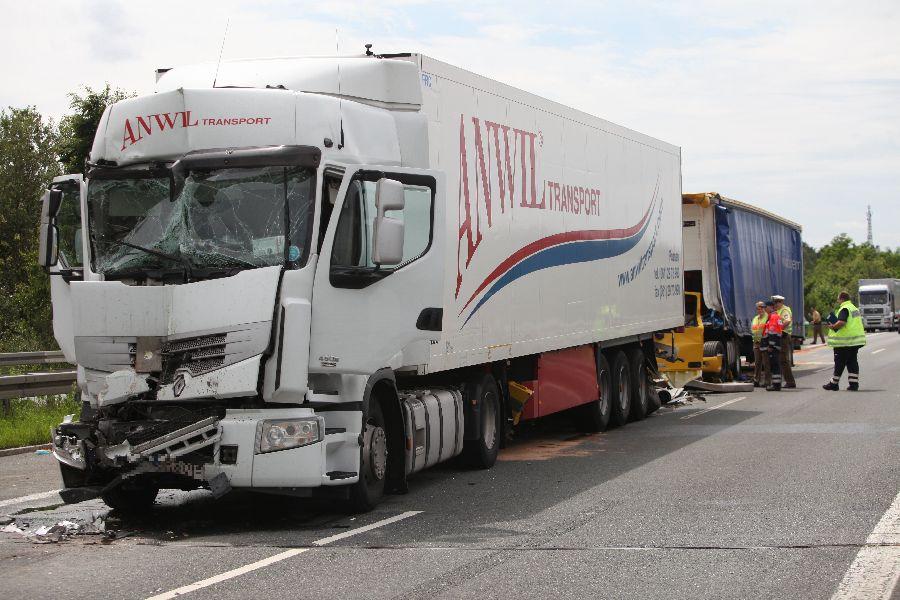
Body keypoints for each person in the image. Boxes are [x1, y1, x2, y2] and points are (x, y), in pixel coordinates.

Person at [823, 291, 867, 391]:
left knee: (839, 362)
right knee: (852, 362)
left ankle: (833, 384)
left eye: (838, 299)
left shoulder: (844, 308)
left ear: (842, 299)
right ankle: (853, 384)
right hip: (854, 341)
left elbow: (842, 322)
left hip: (844, 342)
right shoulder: (854, 308)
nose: (838, 301)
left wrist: (833, 326)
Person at [772, 295, 796, 388]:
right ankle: (787, 381)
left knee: (783, 360)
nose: (775, 304)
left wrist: (779, 329)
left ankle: (790, 382)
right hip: (781, 336)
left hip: (784, 336)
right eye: (775, 302)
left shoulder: (784, 310)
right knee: (781, 360)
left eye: (777, 302)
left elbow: (787, 321)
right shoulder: (778, 310)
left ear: (781, 302)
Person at [763, 300, 784, 391]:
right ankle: (777, 384)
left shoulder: (773, 317)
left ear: (770, 307)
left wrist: (770, 346)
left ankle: (776, 385)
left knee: (775, 365)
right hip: (777, 344)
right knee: (776, 365)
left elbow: (772, 332)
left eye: (765, 307)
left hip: (774, 345)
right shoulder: (776, 317)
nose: (764, 309)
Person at [751, 301, 770, 387]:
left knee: (766, 363)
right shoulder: (755, 318)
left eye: (762, 307)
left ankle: (767, 381)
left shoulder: (768, 317)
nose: (760, 309)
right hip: (756, 343)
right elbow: (753, 330)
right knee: (757, 362)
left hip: (765, 342)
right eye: (758, 308)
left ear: (765, 308)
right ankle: (756, 380)